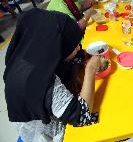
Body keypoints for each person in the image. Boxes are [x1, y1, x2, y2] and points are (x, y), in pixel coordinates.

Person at [4, 8, 101, 142]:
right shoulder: (40, 81)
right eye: (73, 45)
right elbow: (81, 117)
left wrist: (85, 56)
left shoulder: (36, 52)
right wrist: (90, 70)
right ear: (58, 47)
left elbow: (73, 56)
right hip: (49, 134)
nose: (78, 47)